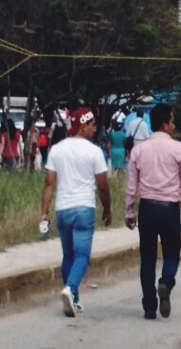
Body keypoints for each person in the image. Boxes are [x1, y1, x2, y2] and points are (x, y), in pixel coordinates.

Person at [125, 103, 181, 320]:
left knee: (147, 258)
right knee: (171, 253)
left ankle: (149, 306)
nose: (174, 126)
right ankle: (166, 282)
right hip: (169, 209)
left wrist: (129, 212)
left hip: (146, 208)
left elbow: (132, 185)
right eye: (172, 121)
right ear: (165, 124)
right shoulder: (178, 149)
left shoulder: (138, 150)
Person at [39, 107, 112, 317]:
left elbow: (49, 183)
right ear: (83, 125)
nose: (95, 129)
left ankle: (75, 300)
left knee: (68, 255)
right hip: (84, 209)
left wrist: (44, 212)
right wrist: (107, 209)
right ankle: (70, 288)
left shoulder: (57, 149)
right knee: (82, 255)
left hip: (63, 209)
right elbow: (103, 186)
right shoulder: (94, 151)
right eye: (92, 125)